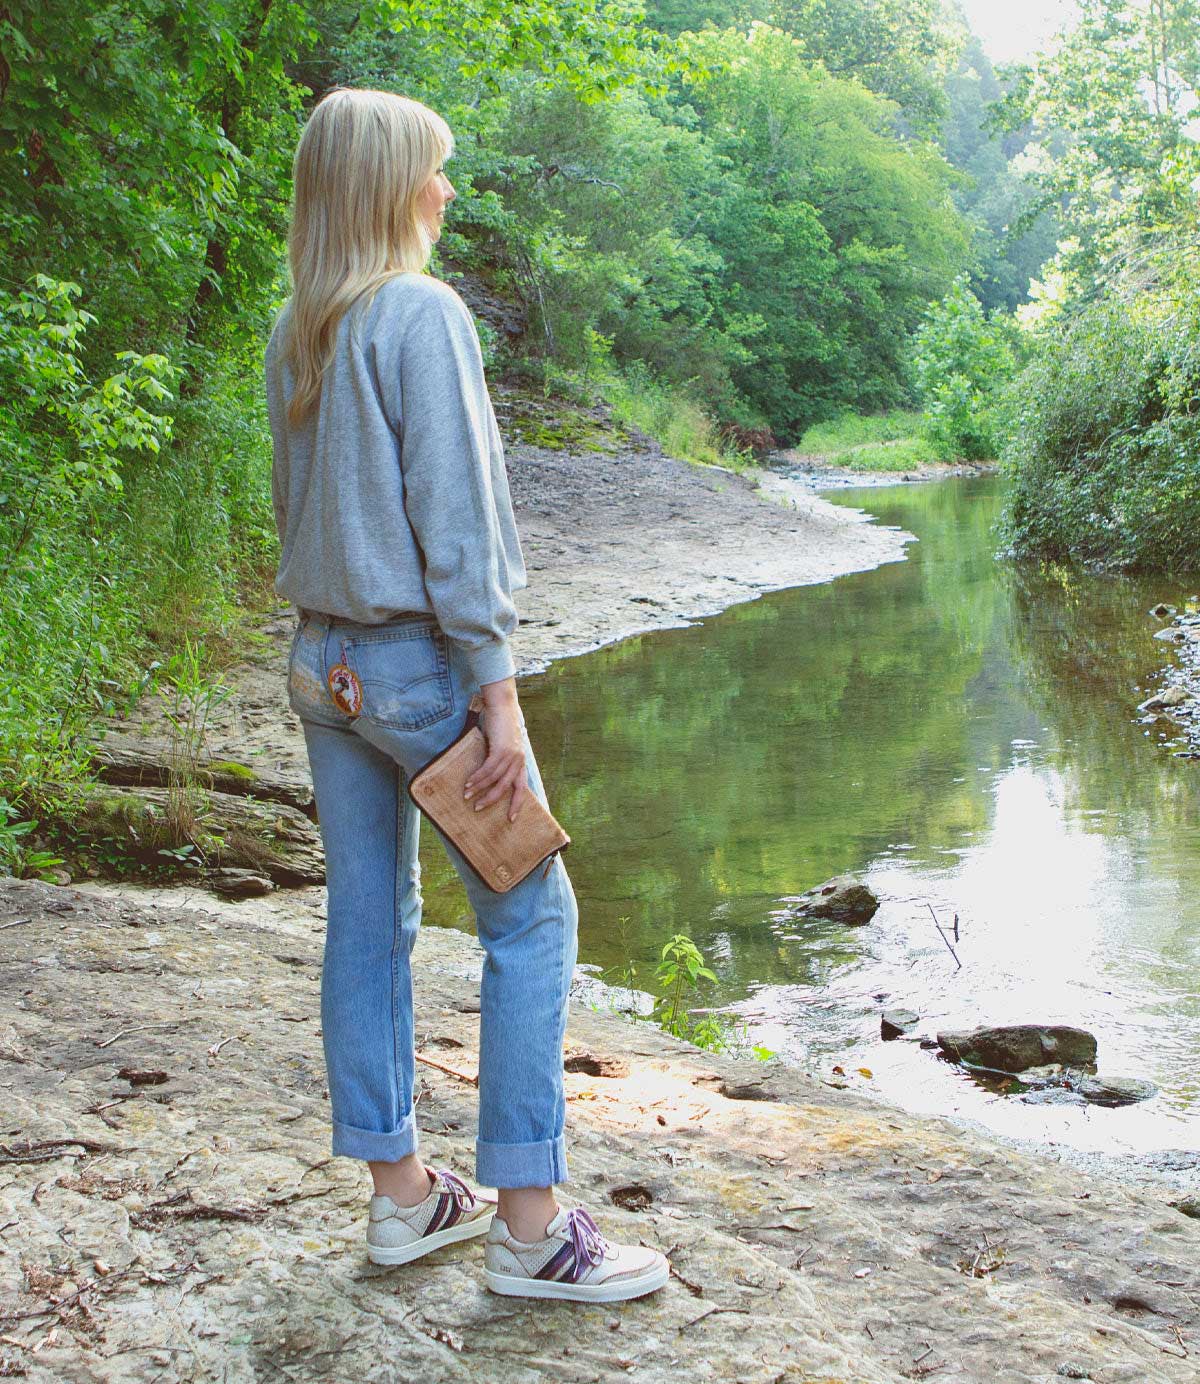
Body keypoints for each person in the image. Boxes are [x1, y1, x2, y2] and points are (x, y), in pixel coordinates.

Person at [263, 86, 669, 1303]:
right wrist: (497, 689)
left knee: (368, 920)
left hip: (321, 664)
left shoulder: (302, 326)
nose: (448, 191)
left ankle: (402, 1202)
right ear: (390, 186)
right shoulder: (420, 313)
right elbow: (460, 517)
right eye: (433, 172)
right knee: (532, 915)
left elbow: (303, 516)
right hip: (416, 667)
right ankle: (532, 1228)